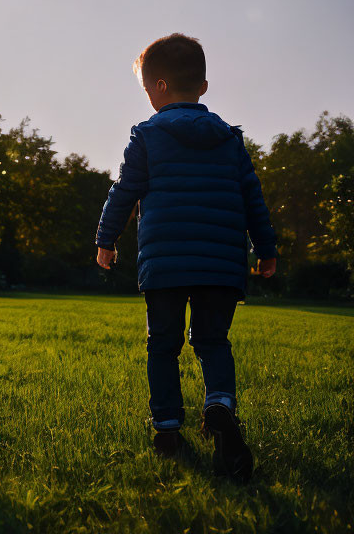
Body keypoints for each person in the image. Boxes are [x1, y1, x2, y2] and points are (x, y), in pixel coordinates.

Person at [95, 34, 277, 482]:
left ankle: (168, 431)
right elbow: (252, 198)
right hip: (221, 264)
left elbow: (125, 191)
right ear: (203, 87)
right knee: (212, 342)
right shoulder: (230, 140)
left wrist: (106, 238)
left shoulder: (147, 135)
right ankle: (218, 404)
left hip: (166, 263)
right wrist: (266, 248)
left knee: (163, 345)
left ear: (157, 87)